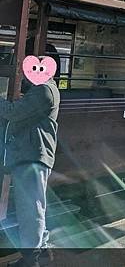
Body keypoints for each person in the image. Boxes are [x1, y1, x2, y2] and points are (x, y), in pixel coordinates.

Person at [0, 62, 60, 266]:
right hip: (32, 156)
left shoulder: (44, 91)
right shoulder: (45, 89)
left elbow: (12, 112)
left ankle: (30, 259)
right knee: (35, 206)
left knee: (30, 209)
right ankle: (41, 250)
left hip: (32, 157)